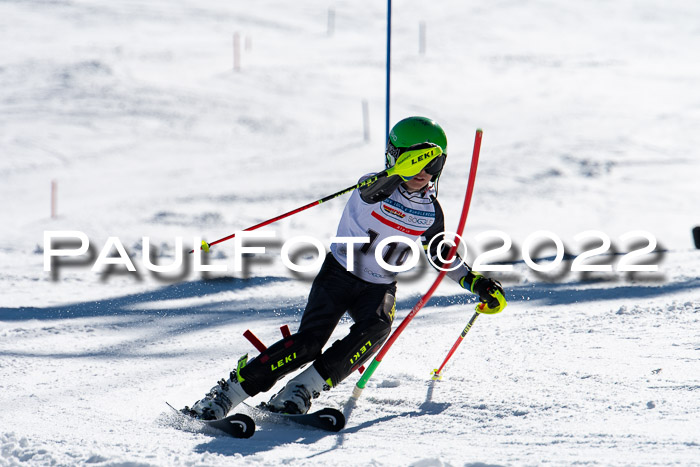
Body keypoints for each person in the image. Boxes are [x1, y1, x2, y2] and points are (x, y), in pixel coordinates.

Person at [183, 116, 506, 420]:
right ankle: (225, 395)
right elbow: (370, 192)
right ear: (395, 157)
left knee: (377, 327)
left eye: (433, 163)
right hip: (338, 274)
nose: (424, 171)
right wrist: (399, 170)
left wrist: (476, 283)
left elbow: (440, 253)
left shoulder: (431, 212)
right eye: (416, 160)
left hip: (379, 285)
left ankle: (299, 391)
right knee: (309, 343)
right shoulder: (374, 185)